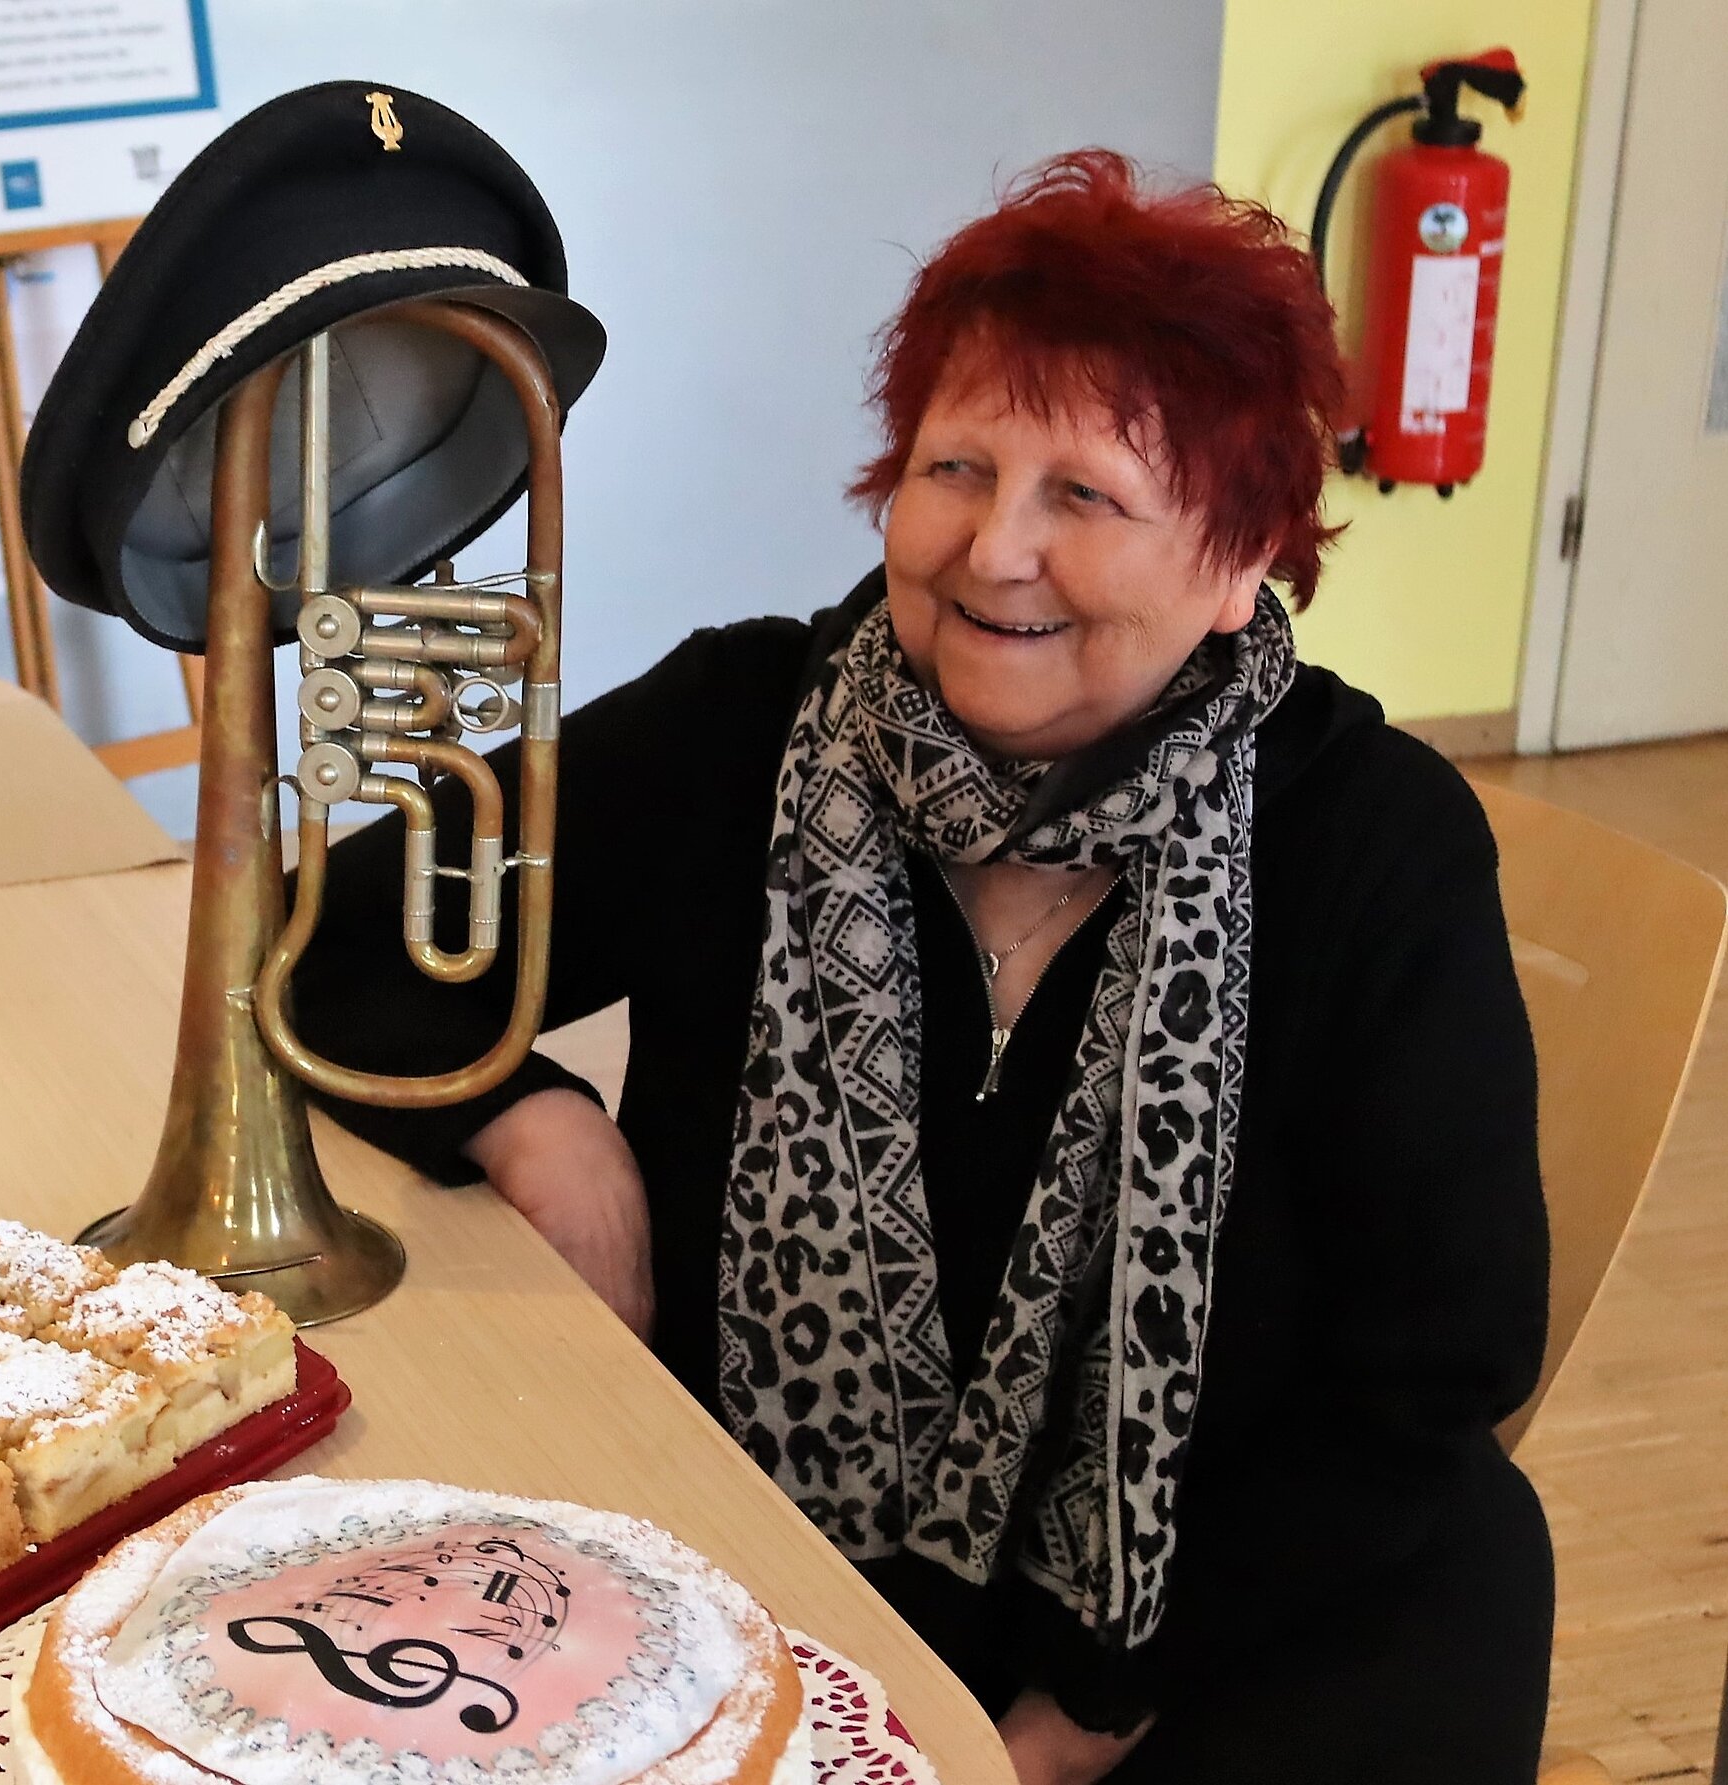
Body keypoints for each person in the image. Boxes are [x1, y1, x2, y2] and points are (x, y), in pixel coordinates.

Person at [285, 150, 1552, 1784]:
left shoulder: (1371, 844)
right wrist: (531, 1115)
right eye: (955, 466)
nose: (989, 550)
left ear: (1239, 560)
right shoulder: (747, 725)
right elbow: (339, 938)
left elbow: (1433, 1363)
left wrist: (1084, 1710)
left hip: (1223, 1612)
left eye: (1082, 496)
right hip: (757, 1571)